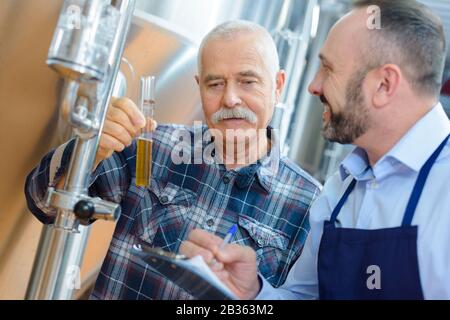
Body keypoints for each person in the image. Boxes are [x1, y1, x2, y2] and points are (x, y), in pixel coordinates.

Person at [24, 20, 321, 299]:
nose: (230, 99)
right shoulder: (153, 147)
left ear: (278, 85)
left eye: (247, 81)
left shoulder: (309, 204)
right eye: (215, 84)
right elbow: (43, 203)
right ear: (199, 85)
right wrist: (90, 148)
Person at [180, 0, 450, 300]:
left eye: (328, 69)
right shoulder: (341, 188)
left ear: (384, 85)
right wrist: (253, 293)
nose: (313, 86)